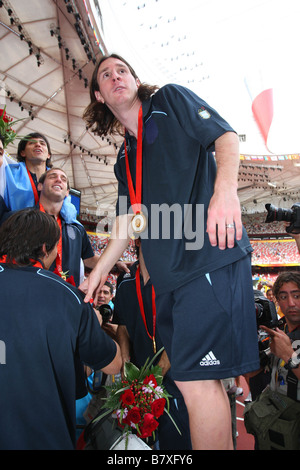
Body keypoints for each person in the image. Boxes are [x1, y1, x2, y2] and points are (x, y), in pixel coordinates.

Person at [79, 54, 260, 449]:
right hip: (170, 280)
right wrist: (99, 271)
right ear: (100, 95)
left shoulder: (170, 101)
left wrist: (224, 190)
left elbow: (225, 136)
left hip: (206, 259)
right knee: (188, 381)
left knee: (196, 382)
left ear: (135, 78)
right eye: (106, 75)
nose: (115, 76)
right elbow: (130, 222)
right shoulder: (125, 157)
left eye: (121, 70)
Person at [0, 208, 121, 450]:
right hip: (44, 437)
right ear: (45, 248)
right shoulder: (69, 297)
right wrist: (94, 325)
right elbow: (114, 364)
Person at [114, 239, 192, 449]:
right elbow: (122, 325)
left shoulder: (177, 284)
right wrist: (125, 359)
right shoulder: (125, 286)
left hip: (173, 388)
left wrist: (155, 378)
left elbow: (184, 331)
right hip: (139, 389)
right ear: (138, 241)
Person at [245, 271, 300, 449]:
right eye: (283, 296)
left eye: (297, 295)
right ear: (276, 300)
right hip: (273, 420)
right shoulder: (276, 329)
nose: (291, 303)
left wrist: (289, 355)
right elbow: (253, 374)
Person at [0, 132, 77, 223]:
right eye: (32, 143)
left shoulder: (58, 180)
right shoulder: (8, 172)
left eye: (42, 143)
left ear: (48, 154)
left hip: (49, 230)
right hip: (15, 229)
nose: (38, 145)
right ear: (22, 152)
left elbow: (69, 213)